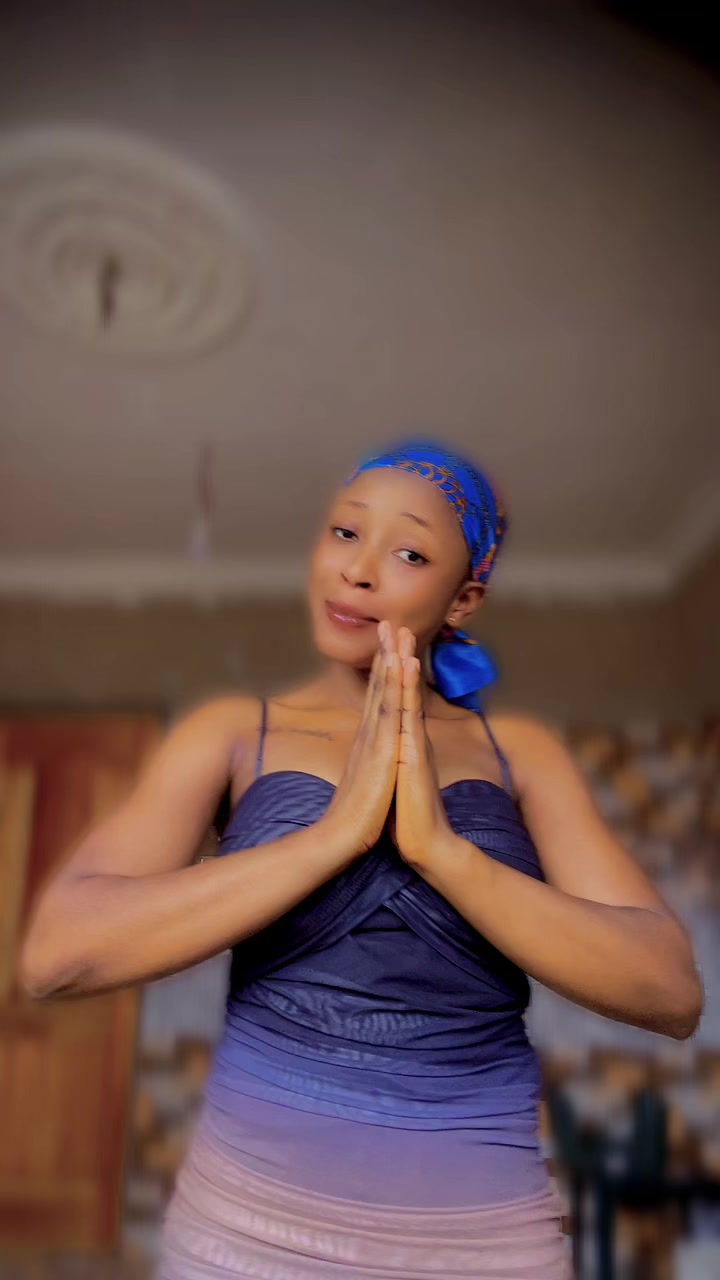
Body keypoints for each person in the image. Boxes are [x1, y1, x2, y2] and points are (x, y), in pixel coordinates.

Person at [21, 439, 703, 1279]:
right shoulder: (233, 732)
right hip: (244, 1236)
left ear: (463, 598)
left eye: (409, 552)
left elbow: (670, 991)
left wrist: (441, 852)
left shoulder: (518, 751)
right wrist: (334, 834)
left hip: (486, 1247)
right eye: (345, 533)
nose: (358, 570)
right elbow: (57, 954)